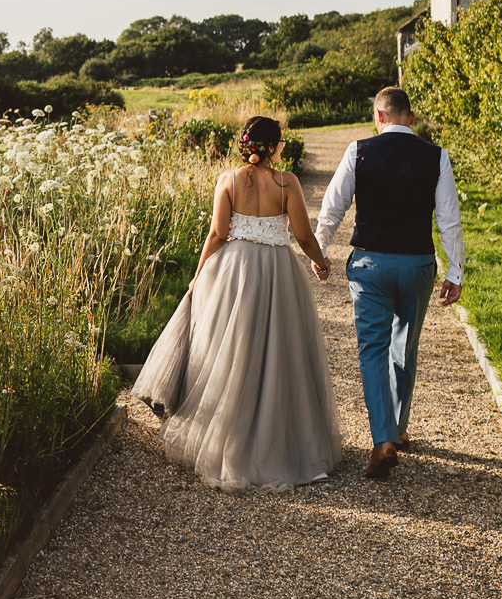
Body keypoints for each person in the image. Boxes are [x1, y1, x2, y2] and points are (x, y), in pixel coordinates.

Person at [131, 116, 343, 491]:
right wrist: (321, 264)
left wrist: (199, 274)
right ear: (273, 146)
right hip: (277, 271)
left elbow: (217, 233)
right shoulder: (287, 182)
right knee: (279, 354)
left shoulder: (227, 180)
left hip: (233, 269)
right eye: (279, 141)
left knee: (230, 354)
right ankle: (281, 447)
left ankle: (227, 441)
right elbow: (303, 236)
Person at [315, 86, 465, 479]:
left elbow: (333, 207)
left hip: (370, 266)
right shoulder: (436, 156)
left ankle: (382, 439)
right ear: (411, 118)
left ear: (378, 117)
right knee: (405, 348)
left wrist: (320, 251)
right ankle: (398, 429)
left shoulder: (358, 151)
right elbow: (449, 220)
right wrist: (455, 271)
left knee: (372, 352)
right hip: (417, 265)